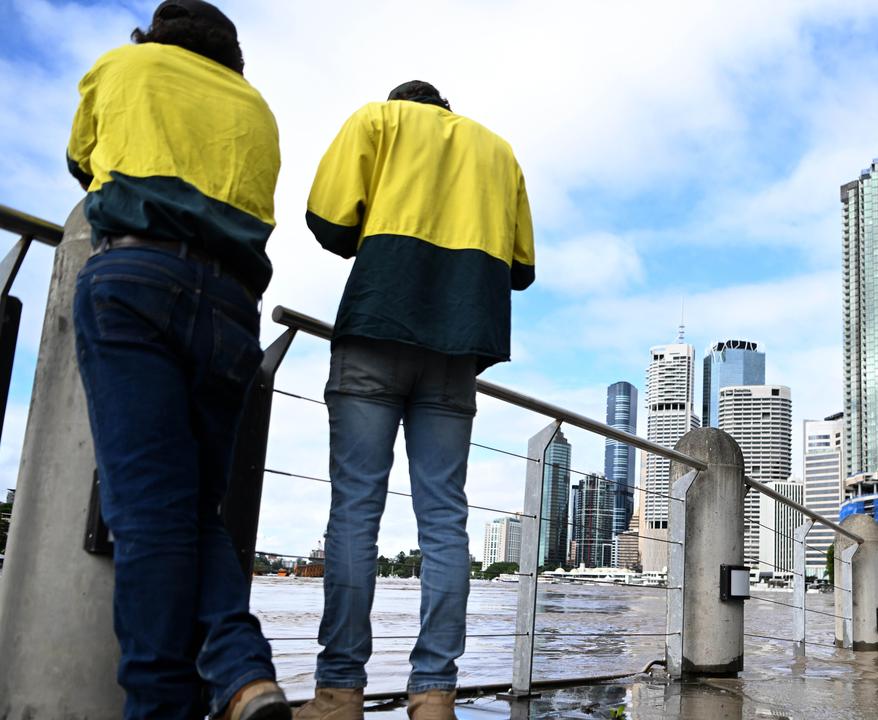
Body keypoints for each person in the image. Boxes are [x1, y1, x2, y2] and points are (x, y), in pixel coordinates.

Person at [67, 2, 288, 718]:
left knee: (148, 515)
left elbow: (82, 160)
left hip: (134, 281)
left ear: (155, 37)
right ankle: (242, 673)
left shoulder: (122, 67)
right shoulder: (255, 107)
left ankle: (162, 704)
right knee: (195, 511)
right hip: (231, 305)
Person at [296, 81, 534, 720]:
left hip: (376, 329)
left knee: (354, 512)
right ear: (447, 110)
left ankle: (337, 693)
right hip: (457, 351)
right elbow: (520, 267)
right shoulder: (499, 152)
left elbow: (329, 221)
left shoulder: (376, 120)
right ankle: (433, 694)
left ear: (403, 103)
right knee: (444, 520)